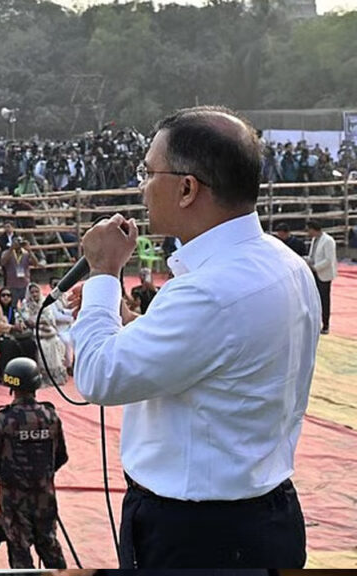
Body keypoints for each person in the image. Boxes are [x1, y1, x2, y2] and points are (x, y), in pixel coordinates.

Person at [71, 106, 315, 568]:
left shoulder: (209, 292)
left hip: (198, 534)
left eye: (148, 173)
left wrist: (104, 273)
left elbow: (100, 377)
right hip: (262, 517)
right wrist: (120, 317)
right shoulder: (285, 264)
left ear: (187, 189)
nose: (142, 189)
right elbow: (210, 362)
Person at [0, 357, 68, 569]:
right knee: (48, 542)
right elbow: (61, 456)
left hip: (13, 497)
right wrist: (42, 476)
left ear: (11, 386)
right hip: (44, 494)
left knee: (19, 547)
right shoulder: (50, 416)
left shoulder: (4, 420)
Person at [0, 288, 38, 382]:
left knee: (29, 343)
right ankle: (3, 374)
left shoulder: (13, 308)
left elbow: (20, 320)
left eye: (8, 295)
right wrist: (12, 327)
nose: (6, 297)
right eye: (3, 295)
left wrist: (21, 326)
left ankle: (28, 372)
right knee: (8, 345)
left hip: (14, 334)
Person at [23, 284, 67, 386]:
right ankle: (43, 375)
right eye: (32, 292)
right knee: (42, 344)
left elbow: (50, 318)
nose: (34, 294)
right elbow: (27, 319)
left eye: (36, 292)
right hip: (34, 331)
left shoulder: (45, 302)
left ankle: (54, 376)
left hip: (48, 330)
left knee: (55, 341)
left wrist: (40, 321)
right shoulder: (26, 304)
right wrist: (39, 321)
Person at [305, 220, 337, 335]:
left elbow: (328, 260)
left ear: (314, 229)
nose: (308, 232)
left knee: (324, 300)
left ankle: (326, 324)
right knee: (314, 298)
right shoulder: (314, 240)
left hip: (323, 274)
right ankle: (315, 322)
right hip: (314, 272)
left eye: (309, 229)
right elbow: (312, 255)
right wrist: (307, 261)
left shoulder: (328, 241)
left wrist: (315, 267)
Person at [0, 237, 38, 306]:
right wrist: (11, 249)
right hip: (12, 285)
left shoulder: (26, 253)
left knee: (27, 306)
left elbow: (35, 264)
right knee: (12, 305)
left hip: (25, 284)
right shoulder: (7, 253)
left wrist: (30, 251)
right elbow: (2, 262)